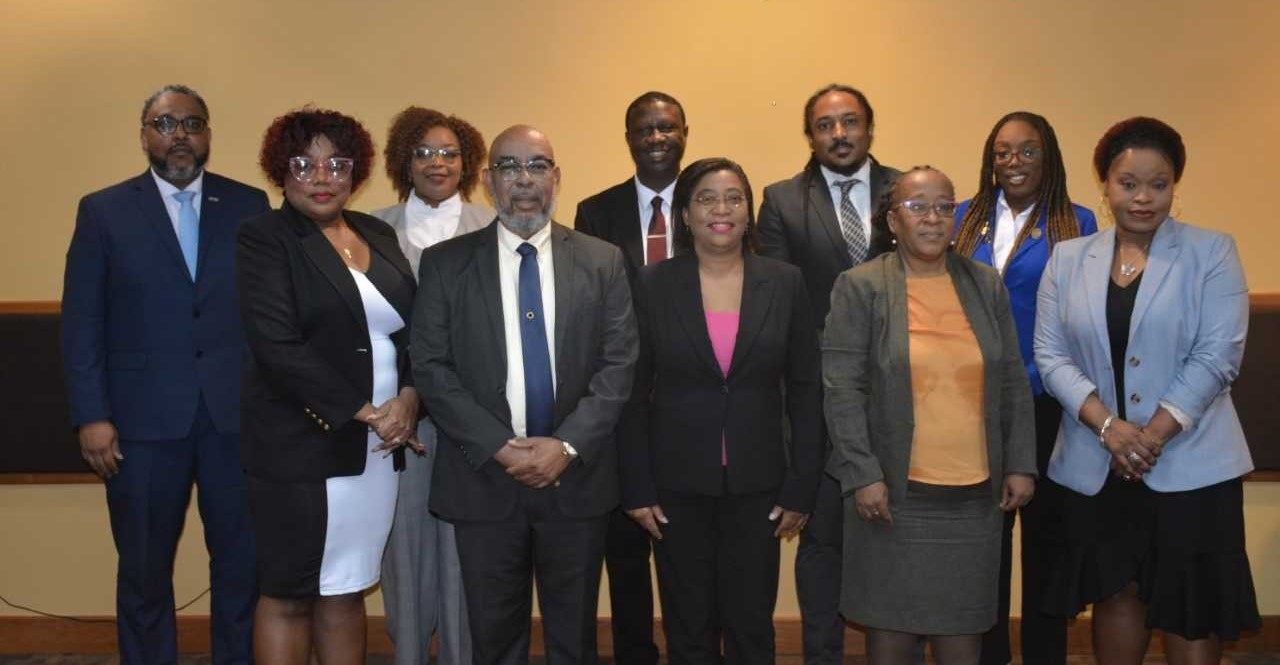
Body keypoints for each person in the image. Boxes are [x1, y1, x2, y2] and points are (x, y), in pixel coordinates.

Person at [1034, 117, 1260, 664]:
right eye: (1128, 183)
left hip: (1191, 461)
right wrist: (1109, 429)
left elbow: (1217, 355)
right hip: (1097, 460)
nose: (1143, 198)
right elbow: (1051, 354)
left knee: (1190, 601)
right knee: (1116, 593)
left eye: (1158, 184)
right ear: (1105, 186)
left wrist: (1148, 439)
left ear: (1175, 186)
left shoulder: (1212, 252)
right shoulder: (1068, 259)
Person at [412, 125, 637, 665]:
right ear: (489, 181)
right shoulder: (446, 264)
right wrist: (499, 444)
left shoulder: (602, 260)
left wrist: (565, 446)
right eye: (509, 166)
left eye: (538, 166)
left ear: (556, 177)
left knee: (573, 635)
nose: (525, 179)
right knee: (493, 637)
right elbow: (431, 366)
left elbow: (619, 364)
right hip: (484, 477)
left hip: (576, 480)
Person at [61, 84, 267, 665]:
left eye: (192, 123)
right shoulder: (103, 210)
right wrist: (92, 416)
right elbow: (82, 323)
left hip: (235, 421)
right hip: (139, 424)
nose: (179, 135)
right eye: (164, 123)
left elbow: (265, 315)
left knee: (241, 568)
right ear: (144, 133)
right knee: (145, 570)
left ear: (208, 134)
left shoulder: (250, 205)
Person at [824, 166, 1036, 664]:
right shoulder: (861, 287)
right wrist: (863, 474)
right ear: (891, 220)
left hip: (974, 498)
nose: (934, 218)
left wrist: (1021, 462)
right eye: (918, 207)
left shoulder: (984, 284)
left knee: (964, 634)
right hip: (894, 495)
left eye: (945, 207)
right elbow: (841, 389)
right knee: (892, 635)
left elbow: (1011, 378)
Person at [620, 157, 822, 665]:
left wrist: (802, 483)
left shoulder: (785, 281)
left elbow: (805, 389)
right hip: (675, 486)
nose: (722, 209)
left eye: (734, 197)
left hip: (761, 487)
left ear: (749, 211)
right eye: (706, 198)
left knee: (752, 624)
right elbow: (631, 392)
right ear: (684, 214)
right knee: (688, 626)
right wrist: (637, 486)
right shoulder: (651, 284)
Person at [236, 108, 420, 665]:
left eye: (336, 164)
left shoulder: (378, 231)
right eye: (304, 163)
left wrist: (410, 401)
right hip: (302, 446)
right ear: (280, 170)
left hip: (377, 450)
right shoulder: (264, 237)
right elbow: (277, 345)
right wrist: (369, 411)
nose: (321, 176)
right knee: (291, 592)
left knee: (347, 585)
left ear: (355, 172)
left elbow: (416, 334)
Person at [755, 83, 900, 665]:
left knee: (897, 536)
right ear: (809, 135)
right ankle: (822, 655)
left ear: (869, 126)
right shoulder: (781, 200)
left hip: (901, 393)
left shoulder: (908, 192)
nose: (839, 134)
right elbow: (779, 305)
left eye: (850, 122)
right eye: (825, 125)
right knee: (821, 540)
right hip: (816, 395)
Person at [951, 111, 1097, 665]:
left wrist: (1041, 381)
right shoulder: (963, 219)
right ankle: (988, 655)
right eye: (1002, 152)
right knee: (984, 545)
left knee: (1047, 545)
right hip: (975, 407)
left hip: (1049, 405)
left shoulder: (1077, 223)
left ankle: (1043, 654)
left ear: (1050, 158)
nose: (1013, 162)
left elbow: (1080, 324)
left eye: (1027, 151)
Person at [372, 106, 493, 665]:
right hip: (403, 417)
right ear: (404, 161)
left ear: (466, 163)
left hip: (475, 418)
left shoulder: (492, 227)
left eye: (449, 152)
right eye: (424, 152)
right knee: (407, 551)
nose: (437, 163)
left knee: (468, 551)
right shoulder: (372, 229)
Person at [574, 90, 689, 665]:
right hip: (621, 406)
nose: (657, 138)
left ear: (684, 133)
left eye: (667, 127)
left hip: (692, 405)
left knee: (687, 555)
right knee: (623, 554)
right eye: (645, 129)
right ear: (629, 139)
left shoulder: (713, 202)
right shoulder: (596, 211)